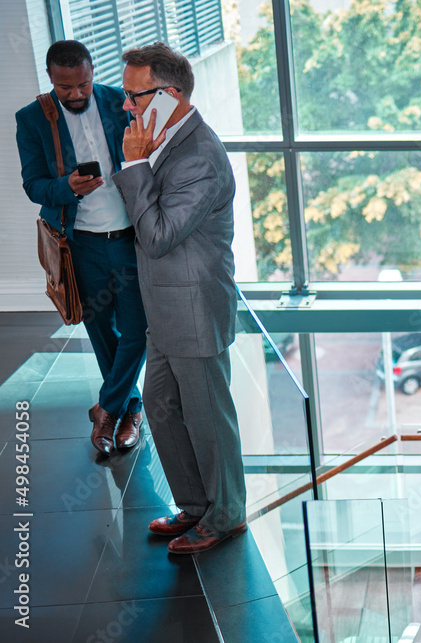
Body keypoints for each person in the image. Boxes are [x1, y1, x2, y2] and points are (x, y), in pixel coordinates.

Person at [111, 42, 246, 554]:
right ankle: (194, 507)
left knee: (209, 418)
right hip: (165, 309)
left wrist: (134, 167)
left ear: (168, 95)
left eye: (134, 96)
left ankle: (226, 515)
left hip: (193, 311)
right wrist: (140, 164)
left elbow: (159, 235)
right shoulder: (164, 141)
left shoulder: (201, 158)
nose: (126, 106)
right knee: (164, 410)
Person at [15, 40, 147, 455]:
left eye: (83, 85)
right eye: (65, 87)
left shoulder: (118, 102)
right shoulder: (33, 119)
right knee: (101, 328)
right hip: (80, 245)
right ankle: (131, 409)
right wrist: (66, 188)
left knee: (138, 329)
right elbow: (33, 185)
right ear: (51, 78)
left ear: (93, 74)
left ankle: (107, 410)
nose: (75, 95)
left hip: (128, 237)